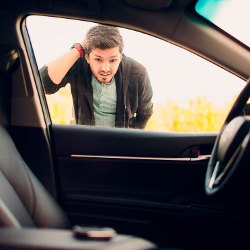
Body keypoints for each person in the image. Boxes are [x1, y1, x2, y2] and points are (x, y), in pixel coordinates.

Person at [40, 24, 153, 129]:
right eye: (98, 59)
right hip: (82, 142)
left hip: (119, 145)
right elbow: (43, 85)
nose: (105, 68)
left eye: (113, 60)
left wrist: (128, 141)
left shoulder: (138, 73)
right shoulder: (79, 64)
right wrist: (79, 49)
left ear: (120, 56)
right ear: (87, 57)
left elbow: (145, 113)